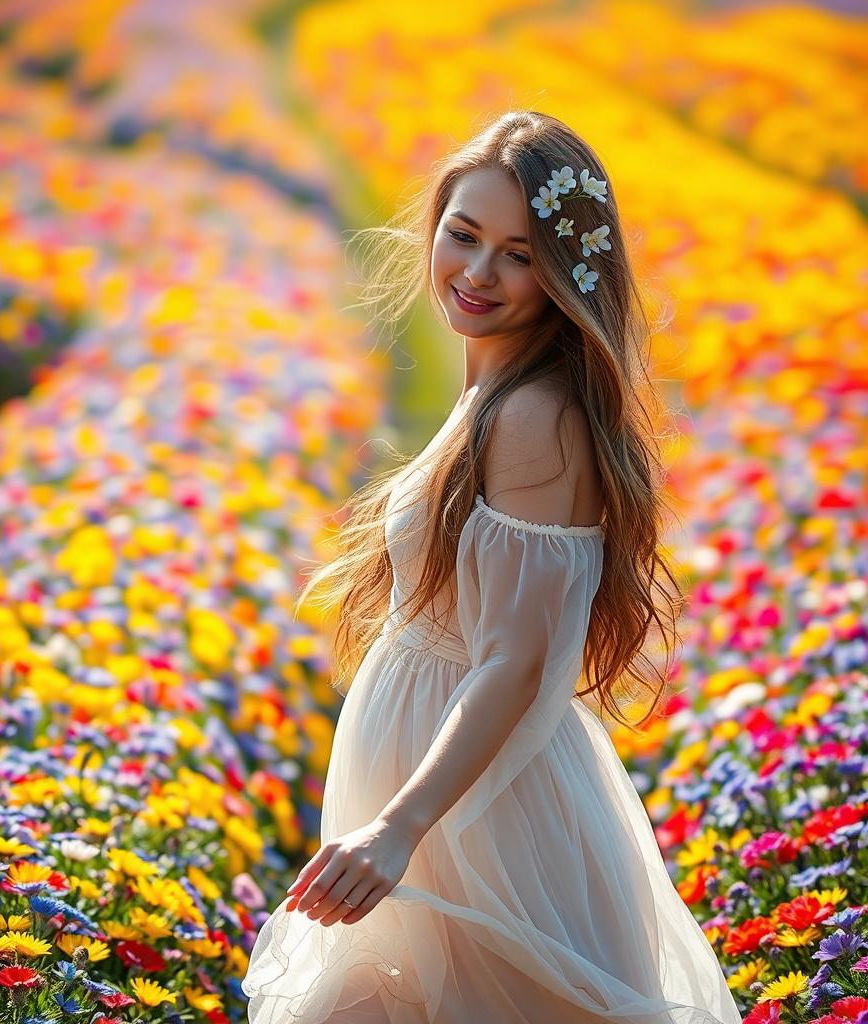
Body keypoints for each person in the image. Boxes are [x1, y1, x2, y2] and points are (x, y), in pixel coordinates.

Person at [242, 110, 742, 1024]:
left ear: (564, 275)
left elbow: (512, 657)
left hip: (478, 819)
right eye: (464, 235)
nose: (478, 272)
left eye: (520, 254)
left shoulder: (532, 418)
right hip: (449, 799)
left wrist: (400, 827)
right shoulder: (495, 392)